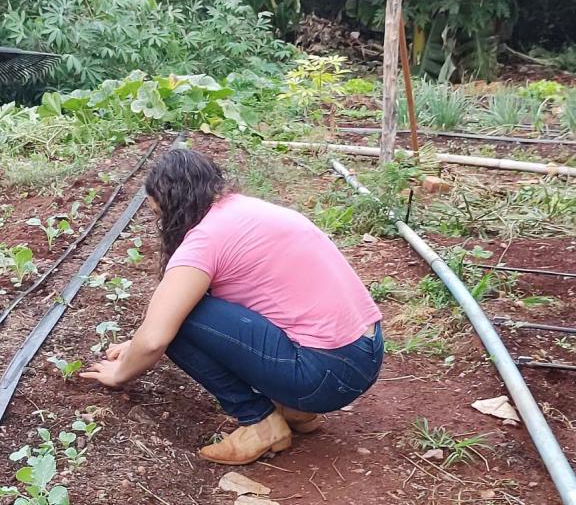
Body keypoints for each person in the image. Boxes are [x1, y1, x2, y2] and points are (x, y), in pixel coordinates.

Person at [80, 148, 384, 465]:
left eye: (160, 214)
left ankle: (259, 422)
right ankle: (297, 411)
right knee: (187, 312)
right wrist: (135, 344)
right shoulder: (247, 211)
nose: (161, 223)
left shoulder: (204, 240)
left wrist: (121, 373)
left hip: (325, 374)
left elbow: (157, 337)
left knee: (182, 321)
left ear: (173, 206)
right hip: (365, 353)